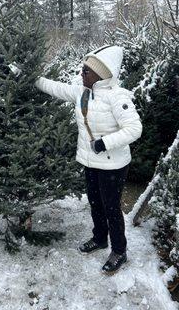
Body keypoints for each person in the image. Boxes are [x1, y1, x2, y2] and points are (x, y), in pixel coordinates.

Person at [35, 45, 142, 274]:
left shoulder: (117, 97)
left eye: (87, 70)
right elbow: (54, 87)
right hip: (91, 161)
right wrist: (29, 76)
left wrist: (105, 142)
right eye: (83, 69)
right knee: (94, 202)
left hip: (113, 164)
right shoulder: (82, 92)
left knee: (111, 207)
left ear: (102, 74)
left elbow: (134, 128)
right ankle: (100, 238)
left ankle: (119, 251)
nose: (82, 73)